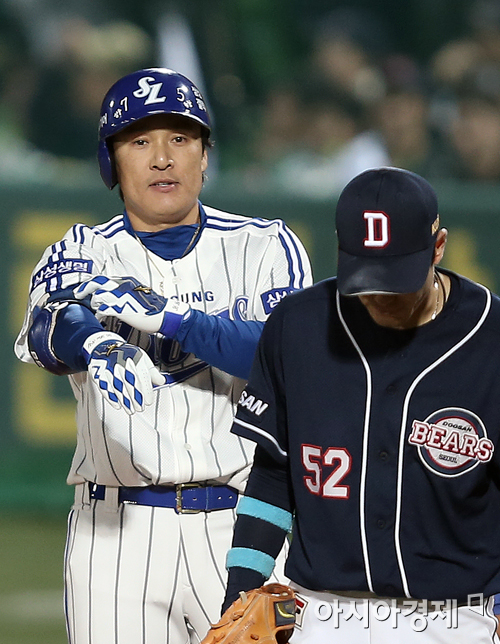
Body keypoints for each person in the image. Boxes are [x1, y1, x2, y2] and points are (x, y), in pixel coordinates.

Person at [14, 67, 312, 644]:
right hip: (114, 534)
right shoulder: (84, 248)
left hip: (240, 527)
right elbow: (50, 325)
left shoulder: (264, 246)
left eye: (180, 138)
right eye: (139, 141)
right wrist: (96, 342)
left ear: (205, 155)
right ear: (110, 162)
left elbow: (288, 357)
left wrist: (172, 319)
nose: (162, 159)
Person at [218, 167, 500, 643]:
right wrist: (239, 595)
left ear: (438, 247)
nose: (380, 296)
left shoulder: (491, 338)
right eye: (367, 277)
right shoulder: (299, 326)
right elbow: (272, 476)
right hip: (320, 615)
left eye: (397, 279)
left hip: (455, 620)